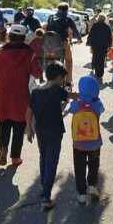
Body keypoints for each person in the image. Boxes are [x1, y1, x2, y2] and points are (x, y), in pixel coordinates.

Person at [0, 24, 42, 167]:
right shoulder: (30, 53)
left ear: (11, 36)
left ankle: (3, 148)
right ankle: (15, 157)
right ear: (23, 37)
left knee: (4, 124)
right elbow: (37, 73)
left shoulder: (2, 53)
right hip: (21, 95)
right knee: (19, 127)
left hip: (3, 95)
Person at [26, 62, 72, 210]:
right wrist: (85, 95)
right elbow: (70, 96)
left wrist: (28, 128)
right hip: (54, 130)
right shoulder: (57, 89)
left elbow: (29, 111)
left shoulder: (36, 91)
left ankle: (44, 188)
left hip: (40, 129)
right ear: (58, 77)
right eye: (62, 79)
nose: (63, 81)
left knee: (43, 157)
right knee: (52, 161)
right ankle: (46, 197)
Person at [65, 75, 104, 205]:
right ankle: (92, 186)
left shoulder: (76, 104)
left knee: (79, 167)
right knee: (94, 165)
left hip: (79, 144)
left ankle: (81, 193)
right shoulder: (97, 104)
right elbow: (101, 110)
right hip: (94, 143)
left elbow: (70, 110)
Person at [46, 3, 82, 84]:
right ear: (67, 10)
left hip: (51, 43)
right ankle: (68, 81)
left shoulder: (51, 17)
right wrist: (79, 39)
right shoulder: (68, 19)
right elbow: (75, 31)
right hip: (63, 42)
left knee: (51, 61)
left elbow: (47, 30)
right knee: (69, 61)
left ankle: (49, 80)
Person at [86, 14, 112, 81]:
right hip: (104, 45)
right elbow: (110, 37)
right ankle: (100, 73)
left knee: (95, 56)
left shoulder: (95, 25)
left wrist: (89, 42)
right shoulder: (107, 27)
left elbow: (91, 34)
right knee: (102, 58)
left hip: (95, 45)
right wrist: (109, 45)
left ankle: (94, 67)